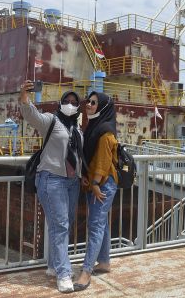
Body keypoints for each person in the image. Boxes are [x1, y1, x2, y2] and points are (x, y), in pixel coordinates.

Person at [18, 80, 83, 293]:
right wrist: (24, 94)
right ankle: (63, 274)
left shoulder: (76, 127)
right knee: (61, 225)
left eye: (75, 102)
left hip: (72, 182)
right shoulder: (52, 121)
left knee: (64, 223)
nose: (71, 104)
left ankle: (53, 266)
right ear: (61, 102)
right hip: (51, 179)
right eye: (67, 101)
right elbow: (30, 115)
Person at [74, 91, 118, 291]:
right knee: (101, 223)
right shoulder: (94, 126)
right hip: (95, 182)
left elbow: (103, 162)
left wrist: (95, 184)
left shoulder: (106, 132)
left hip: (103, 184)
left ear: (103, 107)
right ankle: (105, 262)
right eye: (88, 101)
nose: (89, 105)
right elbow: (89, 158)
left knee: (95, 225)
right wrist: (86, 174)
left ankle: (86, 271)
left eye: (93, 103)